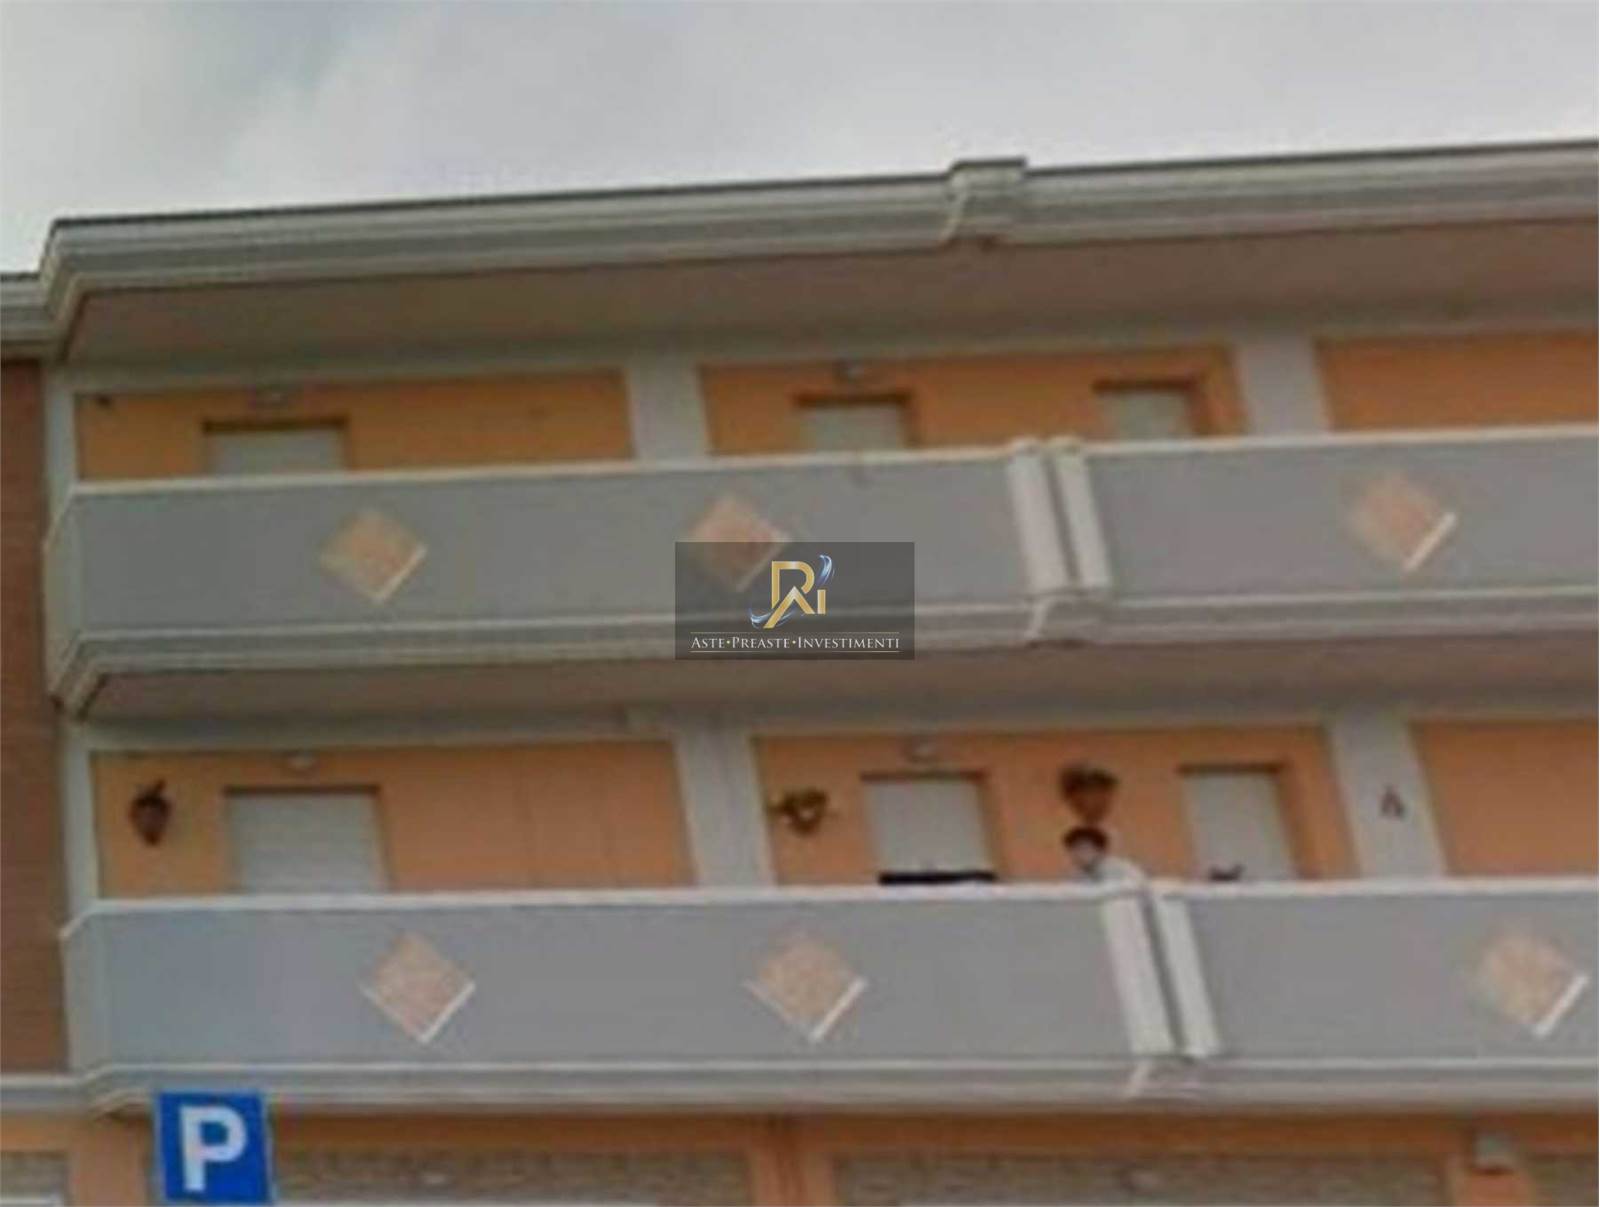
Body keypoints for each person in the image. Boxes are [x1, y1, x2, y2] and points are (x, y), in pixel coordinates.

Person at [1062, 825, 1145, 885]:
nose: (1077, 855)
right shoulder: (1075, 876)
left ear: (1101, 850)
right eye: (1073, 850)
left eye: (1082, 849)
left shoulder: (1124, 869)